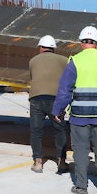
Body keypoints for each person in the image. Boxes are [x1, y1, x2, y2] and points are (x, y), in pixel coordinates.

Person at [52, 25, 97, 194]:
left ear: (81, 42)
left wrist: (58, 109)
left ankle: (81, 187)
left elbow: (65, 90)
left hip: (79, 116)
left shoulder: (75, 61)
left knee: (81, 152)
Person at [28, 34, 68, 173]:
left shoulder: (33, 60)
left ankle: (38, 162)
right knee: (59, 130)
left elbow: (32, 77)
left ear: (41, 48)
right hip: (56, 100)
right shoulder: (64, 60)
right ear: (53, 49)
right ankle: (61, 162)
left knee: (36, 131)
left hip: (36, 98)